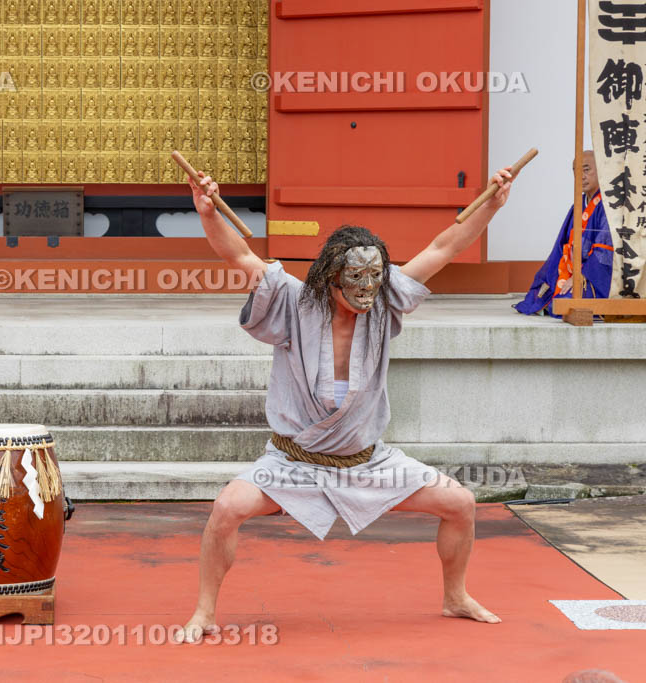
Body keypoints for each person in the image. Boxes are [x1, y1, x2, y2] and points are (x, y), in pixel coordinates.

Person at [180, 167, 514, 642]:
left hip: (367, 461)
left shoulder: (385, 301)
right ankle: (204, 611)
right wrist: (209, 212)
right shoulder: (292, 301)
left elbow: (444, 246)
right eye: (354, 278)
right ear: (329, 276)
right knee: (228, 506)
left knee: (459, 502)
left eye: (374, 277)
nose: (366, 288)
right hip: (293, 461)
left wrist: (491, 206)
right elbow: (238, 252)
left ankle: (455, 596)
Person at [515, 150, 613, 316]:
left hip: (595, 276)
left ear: (601, 171)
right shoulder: (578, 205)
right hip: (571, 270)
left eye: (586, 169)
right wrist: (552, 276)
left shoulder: (608, 206)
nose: (581, 176)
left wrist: (580, 277)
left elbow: (604, 253)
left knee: (564, 302)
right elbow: (561, 247)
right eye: (576, 171)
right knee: (537, 293)